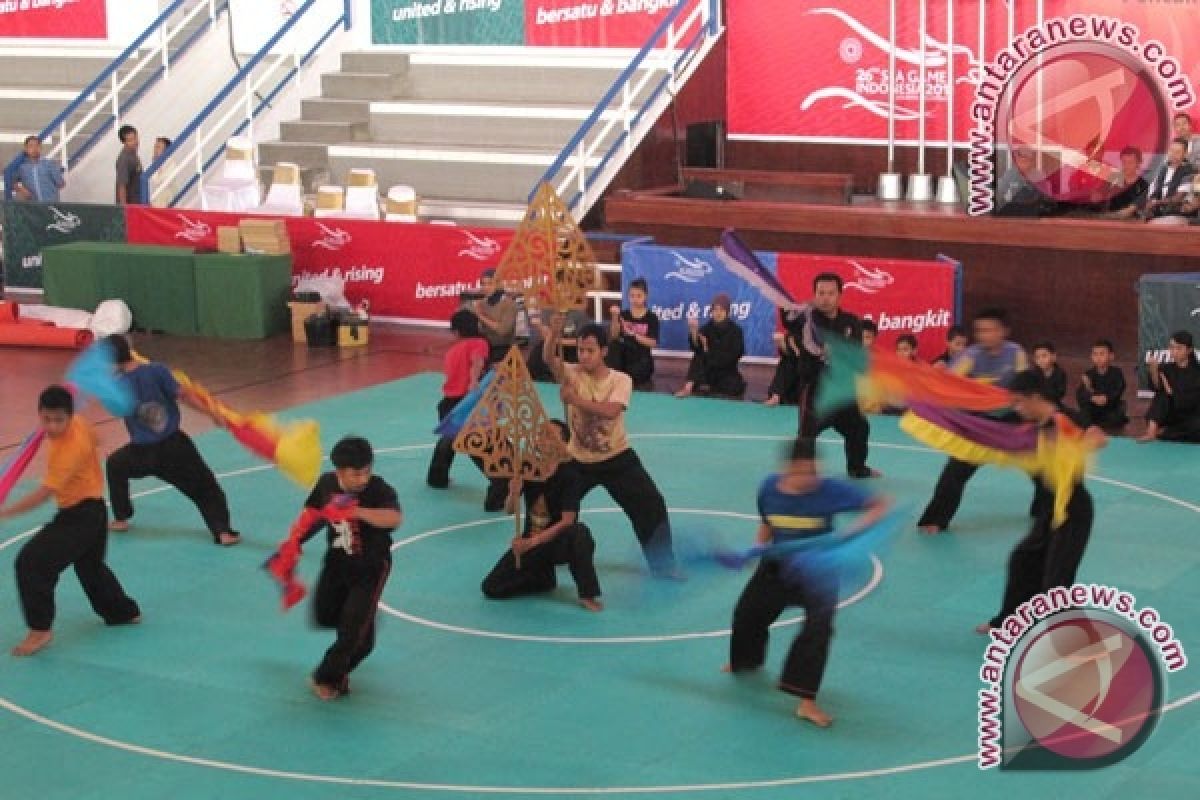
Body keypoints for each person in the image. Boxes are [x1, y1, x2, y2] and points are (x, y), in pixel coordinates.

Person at [724, 437, 891, 727]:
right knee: (748, 614)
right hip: (777, 565)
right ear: (786, 469)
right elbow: (767, 520)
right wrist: (758, 548)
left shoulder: (830, 490)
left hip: (818, 572)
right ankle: (745, 661)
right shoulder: (768, 488)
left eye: (812, 471)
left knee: (818, 631)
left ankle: (806, 700)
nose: (808, 478)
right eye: (801, 471)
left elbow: (880, 505)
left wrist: (848, 535)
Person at [0, 386, 141, 656]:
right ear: (39, 414)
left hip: (81, 516)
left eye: (58, 420)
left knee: (32, 562)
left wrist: (6, 512)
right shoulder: (79, 423)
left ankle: (40, 630)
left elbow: (43, 495)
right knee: (90, 567)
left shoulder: (70, 450)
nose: (52, 426)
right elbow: (97, 439)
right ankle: (123, 612)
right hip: (95, 511)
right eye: (46, 419)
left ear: (69, 416)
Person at [542, 319, 677, 575]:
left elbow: (611, 412)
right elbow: (550, 360)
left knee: (651, 504)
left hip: (616, 457)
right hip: (577, 460)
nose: (584, 356)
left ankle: (664, 565)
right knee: (550, 505)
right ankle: (548, 556)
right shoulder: (572, 374)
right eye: (580, 350)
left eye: (590, 350)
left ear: (604, 351)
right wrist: (553, 335)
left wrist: (575, 400)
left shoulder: (621, 380)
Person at [977, 370, 1106, 633]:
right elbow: (990, 424)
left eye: (1019, 402)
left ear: (1035, 397)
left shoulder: (1063, 419)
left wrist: (1081, 445)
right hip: (1049, 510)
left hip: (1072, 510)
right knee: (1022, 560)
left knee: (1056, 579)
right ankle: (1008, 622)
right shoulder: (1028, 421)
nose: (1016, 408)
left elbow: (1099, 436)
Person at [103, 335, 241, 546]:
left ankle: (121, 518)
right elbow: (184, 395)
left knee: (114, 465)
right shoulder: (157, 370)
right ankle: (223, 532)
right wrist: (211, 412)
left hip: (141, 453)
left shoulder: (116, 386)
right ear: (130, 350)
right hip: (174, 448)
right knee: (207, 489)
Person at [293, 436, 401, 700]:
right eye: (357, 473)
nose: (363, 478)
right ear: (340, 471)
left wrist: (358, 512)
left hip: (370, 568)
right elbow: (313, 513)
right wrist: (295, 540)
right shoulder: (327, 484)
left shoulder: (377, 489)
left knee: (354, 636)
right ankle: (363, 621)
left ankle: (328, 676)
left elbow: (394, 518)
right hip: (336, 563)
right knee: (324, 614)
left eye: (367, 471)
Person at [917, 308, 1029, 534]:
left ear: (1003, 331)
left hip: (1012, 419)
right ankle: (936, 519)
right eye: (980, 330)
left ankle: (1046, 510)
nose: (984, 335)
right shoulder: (971, 356)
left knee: (1044, 463)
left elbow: (1027, 384)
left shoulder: (1016, 353)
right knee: (955, 471)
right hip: (979, 423)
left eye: (990, 329)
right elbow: (949, 383)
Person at [481, 420, 602, 611]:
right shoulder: (529, 468)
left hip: (557, 542)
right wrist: (512, 493)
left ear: (563, 443)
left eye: (549, 436)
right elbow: (510, 510)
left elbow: (567, 521)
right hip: (531, 541)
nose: (542, 439)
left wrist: (532, 542)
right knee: (491, 587)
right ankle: (542, 579)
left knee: (579, 533)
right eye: (540, 435)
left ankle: (587, 592)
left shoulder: (571, 473)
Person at [788, 272, 881, 479]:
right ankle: (803, 477)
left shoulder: (851, 322)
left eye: (830, 293)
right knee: (806, 436)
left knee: (859, 428)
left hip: (841, 392)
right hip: (815, 391)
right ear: (814, 294)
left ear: (840, 296)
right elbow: (790, 320)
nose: (825, 298)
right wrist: (785, 306)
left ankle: (857, 468)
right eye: (820, 293)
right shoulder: (806, 319)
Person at [425, 311, 508, 510]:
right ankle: (500, 486)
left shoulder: (452, 351)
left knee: (448, 439)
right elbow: (477, 360)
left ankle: (437, 478)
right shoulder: (479, 343)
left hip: (448, 404)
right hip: (466, 404)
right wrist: (474, 381)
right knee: (477, 447)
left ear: (456, 331)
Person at [675, 293, 746, 399]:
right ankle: (688, 388)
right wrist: (694, 331)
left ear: (727, 312)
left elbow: (735, 355)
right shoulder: (707, 328)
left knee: (733, 386)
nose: (718, 313)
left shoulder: (736, 331)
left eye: (721, 310)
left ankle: (709, 387)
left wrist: (707, 350)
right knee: (698, 355)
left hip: (726, 371)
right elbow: (696, 347)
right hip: (709, 370)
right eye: (715, 310)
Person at [1138, 330, 1200, 443]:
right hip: (1169, 415)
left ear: (1189, 350)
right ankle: (1151, 432)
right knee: (1162, 395)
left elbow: (1192, 400)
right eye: (1172, 347)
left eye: (1179, 348)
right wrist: (1153, 372)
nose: (1174, 351)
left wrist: (1172, 392)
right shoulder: (1166, 368)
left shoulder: (1197, 372)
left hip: (1190, 416)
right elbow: (1156, 388)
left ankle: (1166, 432)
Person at [605, 278, 659, 388]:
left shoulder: (652, 318)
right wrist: (615, 318)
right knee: (613, 345)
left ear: (646, 296)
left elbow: (653, 343)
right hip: (624, 355)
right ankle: (614, 380)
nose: (635, 299)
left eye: (639, 296)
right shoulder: (624, 315)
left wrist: (633, 334)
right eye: (632, 296)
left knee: (638, 366)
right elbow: (614, 336)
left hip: (641, 358)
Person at [1075, 339, 1128, 430]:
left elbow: (1119, 389)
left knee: (1118, 415)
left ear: (1111, 356)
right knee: (1083, 412)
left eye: (1102, 354)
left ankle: (1099, 424)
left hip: (1110, 407)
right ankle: (1091, 428)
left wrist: (1106, 398)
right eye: (1095, 354)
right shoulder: (1088, 374)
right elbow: (1080, 394)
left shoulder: (1117, 372)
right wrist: (1092, 397)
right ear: (1091, 357)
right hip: (1094, 407)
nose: (1098, 358)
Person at [1141, 138, 1196, 222]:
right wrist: (1150, 202)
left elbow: (1178, 198)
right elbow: (1156, 191)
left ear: (1185, 154)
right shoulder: (1163, 169)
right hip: (1160, 212)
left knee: (1155, 224)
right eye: (1171, 150)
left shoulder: (1189, 171)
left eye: (1177, 152)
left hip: (1179, 214)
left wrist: (1156, 202)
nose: (1173, 154)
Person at [473, 269, 516, 366]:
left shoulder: (509, 304)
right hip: (485, 347)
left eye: (490, 284)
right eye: (483, 284)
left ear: (499, 284)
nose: (486, 287)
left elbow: (503, 330)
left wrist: (480, 316)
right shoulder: (482, 303)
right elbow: (480, 331)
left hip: (503, 349)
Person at [13, 135, 65, 203]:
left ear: (40, 148)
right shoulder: (22, 168)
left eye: (37, 146)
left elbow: (61, 184)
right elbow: (14, 183)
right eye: (31, 146)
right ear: (26, 149)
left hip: (51, 205)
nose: (34, 149)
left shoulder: (50, 164)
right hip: (33, 207)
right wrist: (21, 189)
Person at [1031, 341, 1066, 409]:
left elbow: (1060, 393)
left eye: (1044, 356)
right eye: (1037, 357)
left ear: (1053, 356)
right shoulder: (1032, 373)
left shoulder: (1060, 373)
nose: (1040, 360)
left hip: (1053, 405)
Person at [115, 124, 143, 205]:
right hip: (130, 207)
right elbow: (122, 186)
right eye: (130, 140)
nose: (135, 142)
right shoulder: (124, 159)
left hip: (137, 204)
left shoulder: (133, 154)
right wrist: (124, 210)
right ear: (124, 142)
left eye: (135, 138)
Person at [148, 136, 175, 208]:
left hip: (165, 203)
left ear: (166, 150)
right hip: (154, 203)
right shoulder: (153, 163)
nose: (155, 150)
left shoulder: (170, 164)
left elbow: (158, 181)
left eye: (158, 147)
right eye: (155, 147)